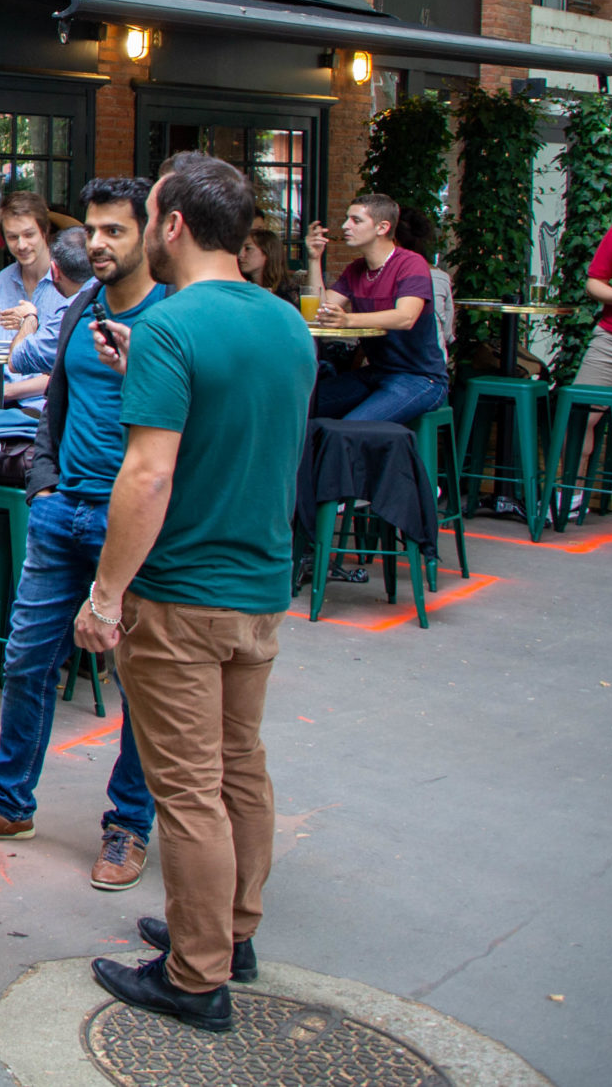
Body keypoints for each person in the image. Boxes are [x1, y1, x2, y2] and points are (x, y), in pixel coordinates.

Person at [77, 153, 315, 1031]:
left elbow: (147, 474)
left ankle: (195, 974)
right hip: (258, 586)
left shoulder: (174, 325)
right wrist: (152, 359)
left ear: (169, 223)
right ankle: (231, 932)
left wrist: (105, 594)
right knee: (239, 764)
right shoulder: (288, 324)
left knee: (185, 789)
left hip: (180, 591)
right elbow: (242, 416)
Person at [0, 177, 163, 889]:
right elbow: (56, 398)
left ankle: (128, 825)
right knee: (29, 661)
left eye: (115, 231)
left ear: (149, 236)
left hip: (128, 523)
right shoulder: (83, 306)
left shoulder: (172, 319)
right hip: (62, 510)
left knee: (141, 682)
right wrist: (44, 478)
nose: (98, 243)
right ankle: (9, 802)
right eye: (92, 230)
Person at [303, 193, 447, 425]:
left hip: (420, 379)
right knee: (301, 406)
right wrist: (313, 259)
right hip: (376, 373)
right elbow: (320, 311)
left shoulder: (410, 263)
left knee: (349, 429)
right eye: (347, 219)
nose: (345, 226)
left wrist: (348, 320)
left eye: (356, 220)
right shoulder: (356, 269)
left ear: (382, 227)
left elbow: (405, 317)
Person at [0, 225, 96, 411]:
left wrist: (29, 317)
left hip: (71, 416)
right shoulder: (107, 296)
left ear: (55, 271)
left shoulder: (73, 311)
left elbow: (17, 359)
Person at [0, 190, 65, 351]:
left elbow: (63, 367)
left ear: (45, 230)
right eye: (13, 237)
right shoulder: (2, 280)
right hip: (0, 376)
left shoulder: (67, 281)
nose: (21, 245)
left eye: (29, 235)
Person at [238, 227, 294, 300]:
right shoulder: (240, 286)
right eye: (239, 249)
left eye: (248, 249)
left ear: (267, 252)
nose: (240, 255)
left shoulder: (286, 291)